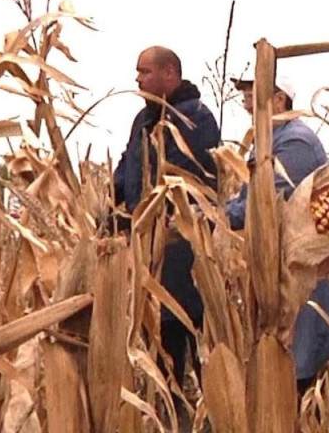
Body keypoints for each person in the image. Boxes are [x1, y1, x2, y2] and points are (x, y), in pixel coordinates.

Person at [112, 46, 220, 422]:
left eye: (144, 71)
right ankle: (172, 419)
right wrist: (113, 214)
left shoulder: (196, 119)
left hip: (185, 255)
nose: (137, 79)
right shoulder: (143, 119)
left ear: (169, 74)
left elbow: (194, 179)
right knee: (162, 347)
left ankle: (211, 419)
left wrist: (163, 218)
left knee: (196, 342)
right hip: (151, 254)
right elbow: (128, 169)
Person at [227, 74, 329, 394]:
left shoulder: (294, 142)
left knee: (300, 371)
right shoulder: (268, 140)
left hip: (303, 274)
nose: (244, 98)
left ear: (279, 100)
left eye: (251, 92)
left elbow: (265, 208)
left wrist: (212, 217)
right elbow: (245, 200)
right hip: (282, 271)